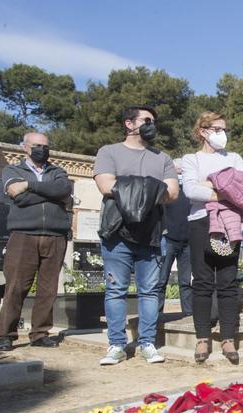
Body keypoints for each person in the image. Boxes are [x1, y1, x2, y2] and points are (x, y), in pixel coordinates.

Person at [94, 106, 179, 365]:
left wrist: (128, 185)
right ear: (129, 124)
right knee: (116, 289)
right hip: (116, 232)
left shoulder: (162, 158)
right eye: (146, 120)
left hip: (151, 233)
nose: (151, 125)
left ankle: (147, 343)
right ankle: (117, 344)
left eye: (153, 121)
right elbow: (106, 185)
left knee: (150, 291)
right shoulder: (108, 152)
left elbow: (172, 194)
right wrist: (151, 187)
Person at [182, 111, 243, 364]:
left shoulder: (234, 158)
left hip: (230, 223)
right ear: (203, 131)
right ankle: (202, 337)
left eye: (224, 129)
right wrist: (226, 191)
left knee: (227, 281)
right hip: (200, 222)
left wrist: (211, 187)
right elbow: (190, 190)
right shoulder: (191, 159)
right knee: (201, 281)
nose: (222, 134)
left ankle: (227, 337)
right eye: (217, 129)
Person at [0, 132, 72, 352]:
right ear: (25, 147)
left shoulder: (58, 171)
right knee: (16, 287)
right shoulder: (12, 170)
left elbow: (63, 190)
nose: (42, 149)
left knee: (48, 289)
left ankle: (40, 333)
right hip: (23, 236)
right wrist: (49, 193)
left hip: (55, 236)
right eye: (37, 145)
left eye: (46, 146)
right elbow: (17, 196)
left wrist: (28, 185)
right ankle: (6, 335)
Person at [156, 158, 193, 316]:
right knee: (161, 280)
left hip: (188, 242)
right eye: (178, 171)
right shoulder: (166, 190)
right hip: (168, 240)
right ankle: (156, 315)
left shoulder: (191, 190)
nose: (181, 174)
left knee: (186, 282)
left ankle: (188, 314)